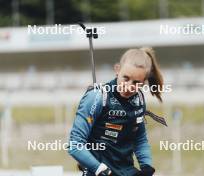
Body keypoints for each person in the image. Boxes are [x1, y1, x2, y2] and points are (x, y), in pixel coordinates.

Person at [68, 47, 164, 176]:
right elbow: (75, 145)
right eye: (126, 78)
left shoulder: (139, 99)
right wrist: (99, 169)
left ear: (144, 82)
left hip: (126, 171)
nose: (129, 86)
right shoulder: (98, 96)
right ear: (117, 70)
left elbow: (139, 139)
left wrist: (146, 166)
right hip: (99, 172)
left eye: (136, 83)